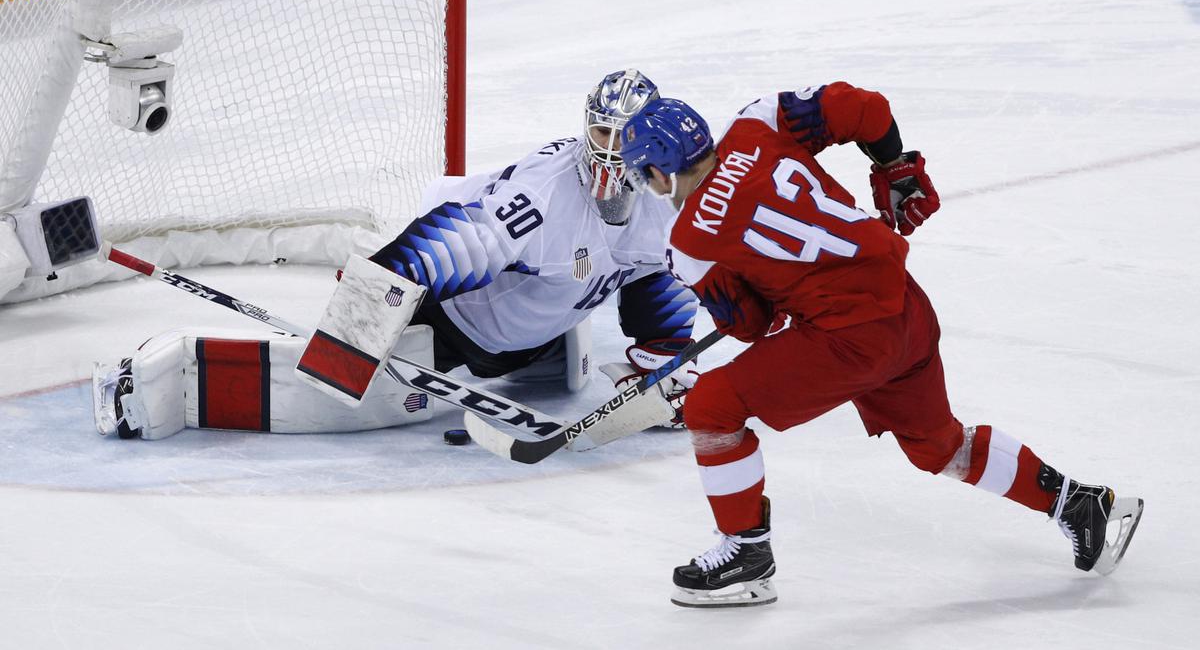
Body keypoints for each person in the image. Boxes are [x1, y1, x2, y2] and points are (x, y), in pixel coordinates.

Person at [617, 85, 1144, 608]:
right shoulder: (758, 122)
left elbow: (751, 324)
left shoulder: (687, 243)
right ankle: (1079, 504)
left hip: (848, 339)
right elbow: (861, 108)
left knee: (712, 406)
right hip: (904, 307)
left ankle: (745, 555)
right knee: (937, 445)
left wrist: (762, 294)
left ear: (660, 172)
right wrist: (895, 168)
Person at [93, 69, 700, 440]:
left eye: (628, 138)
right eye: (602, 135)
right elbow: (434, 253)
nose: (614, 152)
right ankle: (153, 387)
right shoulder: (539, 202)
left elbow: (656, 270)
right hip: (457, 325)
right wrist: (351, 335)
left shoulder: (661, 195)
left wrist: (666, 362)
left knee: (652, 268)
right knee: (329, 395)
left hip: (542, 329)